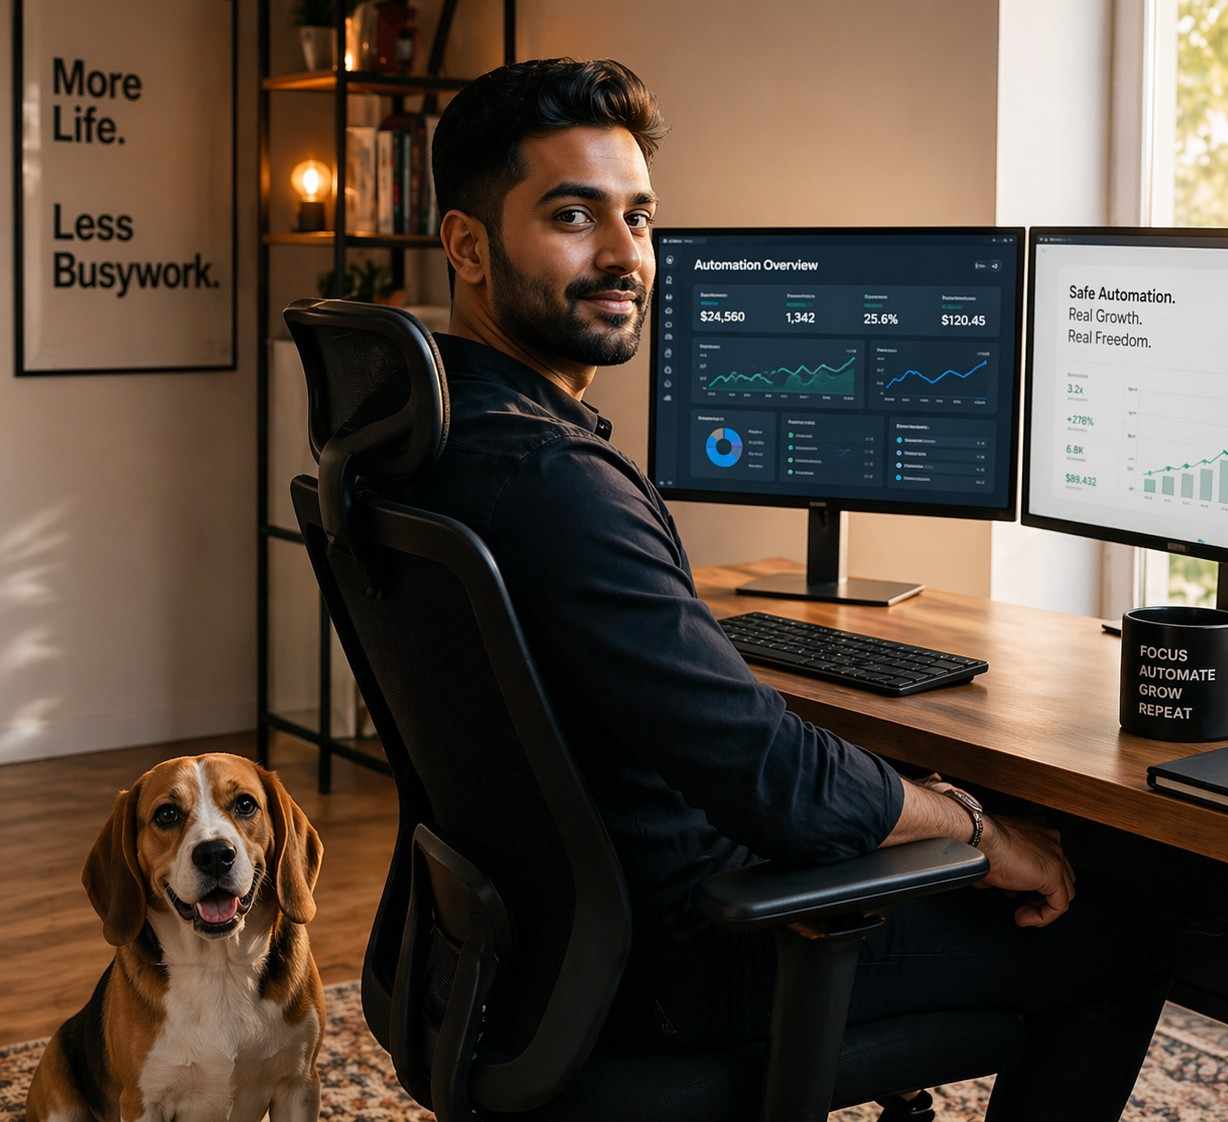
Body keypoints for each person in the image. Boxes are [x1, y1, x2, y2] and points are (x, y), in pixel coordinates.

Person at [407, 56, 1174, 1121]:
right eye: (574, 216)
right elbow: (774, 777)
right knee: (1120, 924)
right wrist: (974, 829)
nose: (625, 254)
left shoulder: (437, 442)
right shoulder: (552, 482)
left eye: (639, 217)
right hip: (688, 961)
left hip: (541, 950)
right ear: (468, 247)